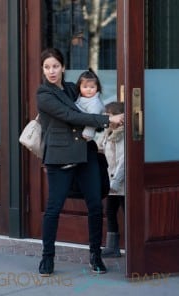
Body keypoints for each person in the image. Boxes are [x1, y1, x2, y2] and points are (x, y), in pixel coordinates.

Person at [36, 48, 124, 276]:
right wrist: (107, 119)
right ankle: (47, 258)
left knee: (95, 205)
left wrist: (106, 118)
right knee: (54, 208)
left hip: (86, 154)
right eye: (47, 67)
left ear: (63, 67)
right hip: (59, 157)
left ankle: (95, 255)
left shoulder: (70, 89)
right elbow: (70, 116)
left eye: (56, 66)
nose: (52, 71)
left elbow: (89, 105)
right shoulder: (43, 94)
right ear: (43, 70)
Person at [96, 101, 125, 258]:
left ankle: (134, 244)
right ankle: (112, 247)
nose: (106, 119)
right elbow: (98, 146)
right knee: (110, 211)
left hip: (121, 183)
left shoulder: (122, 136)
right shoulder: (108, 134)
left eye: (109, 116)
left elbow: (123, 162)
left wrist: (115, 183)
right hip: (112, 183)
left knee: (128, 213)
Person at [75, 68, 106, 141]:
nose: (88, 89)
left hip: (85, 133)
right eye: (85, 87)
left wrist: (88, 133)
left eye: (92, 87)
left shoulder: (95, 103)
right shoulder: (80, 98)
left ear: (97, 88)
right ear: (79, 87)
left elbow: (94, 118)